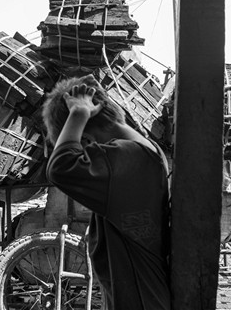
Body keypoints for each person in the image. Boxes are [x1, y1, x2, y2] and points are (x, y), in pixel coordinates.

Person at [42, 74, 171, 310]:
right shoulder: (142, 152)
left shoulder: (126, 157)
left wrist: (77, 115)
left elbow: (60, 168)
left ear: (87, 139)